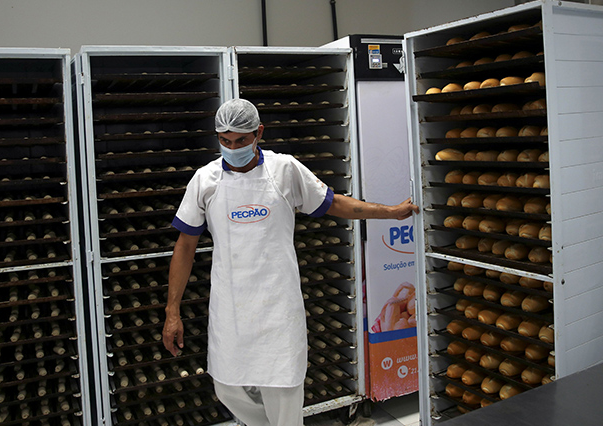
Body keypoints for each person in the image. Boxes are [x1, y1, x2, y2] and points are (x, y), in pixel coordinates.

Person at [162, 98, 418, 426]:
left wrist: (388, 212)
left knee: (283, 394)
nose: (233, 148)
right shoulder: (205, 180)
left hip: (278, 307)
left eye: (241, 140)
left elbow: (335, 203)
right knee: (227, 387)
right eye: (225, 141)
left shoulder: (284, 170)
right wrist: (172, 312)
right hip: (231, 309)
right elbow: (184, 246)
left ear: (259, 133)